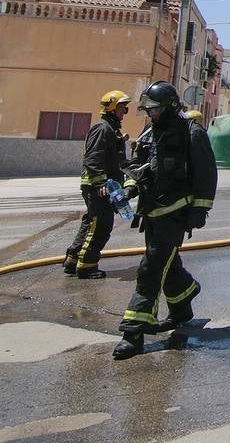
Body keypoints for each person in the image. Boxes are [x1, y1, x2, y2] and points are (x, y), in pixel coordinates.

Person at [112, 81, 218, 360]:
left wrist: (199, 210)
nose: (152, 114)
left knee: (151, 268)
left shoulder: (191, 132)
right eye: (149, 110)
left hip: (175, 213)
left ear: (170, 106)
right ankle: (184, 300)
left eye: (156, 109)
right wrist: (128, 189)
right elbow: (140, 169)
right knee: (166, 263)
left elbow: (206, 175)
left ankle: (133, 332)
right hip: (151, 212)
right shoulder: (150, 133)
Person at [62, 90, 130, 279]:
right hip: (99, 185)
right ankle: (87, 266)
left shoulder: (110, 128)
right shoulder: (103, 128)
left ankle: (73, 260)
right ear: (112, 107)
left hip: (104, 184)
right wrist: (100, 182)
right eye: (122, 107)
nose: (125, 110)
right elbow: (93, 157)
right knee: (101, 225)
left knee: (90, 221)